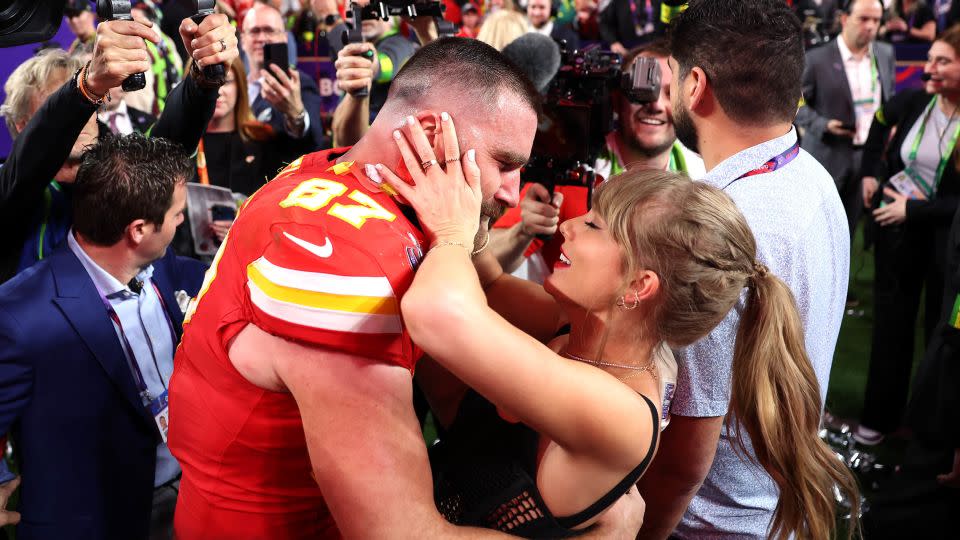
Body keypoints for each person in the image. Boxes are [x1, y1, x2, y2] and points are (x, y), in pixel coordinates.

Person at [167, 37, 643, 539]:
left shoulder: (325, 171)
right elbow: (399, 533)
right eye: (504, 163)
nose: (511, 188)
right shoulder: (343, 261)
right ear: (434, 135)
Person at [373, 117, 861, 539]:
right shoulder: (584, 326)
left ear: (637, 285)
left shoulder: (624, 414)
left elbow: (440, 313)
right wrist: (470, 199)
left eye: (593, 226)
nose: (567, 226)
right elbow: (493, 285)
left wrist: (453, 233)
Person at [632, 1, 852, 538]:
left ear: (695, 85)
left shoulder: (710, 227)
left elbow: (687, 454)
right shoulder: (814, 176)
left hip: (711, 523)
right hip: (777, 509)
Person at [0, 134, 207, 540]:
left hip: (186, 496)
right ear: (139, 230)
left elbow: (210, 276)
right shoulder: (18, 315)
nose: (183, 221)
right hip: (92, 521)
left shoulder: (165, 268)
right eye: (178, 214)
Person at [0, 13, 238, 284]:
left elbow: (168, 146)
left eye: (89, 105)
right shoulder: (9, 186)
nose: (79, 119)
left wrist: (202, 78)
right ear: (23, 125)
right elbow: (27, 166)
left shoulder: (113, 169)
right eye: (58, 105)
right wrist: (84, 88)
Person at [490, 41, 704, 283]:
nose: (654, 105)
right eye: (643, 90)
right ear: (616, 97)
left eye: (669, 93)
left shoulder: (702, 177)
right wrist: (523, 232)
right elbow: (484, 263)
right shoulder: (572, 166)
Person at [853, 25, 960, 446]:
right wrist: (868, 174)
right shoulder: (916, 100)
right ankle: (879, 418)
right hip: (896, 237)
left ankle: (930, 433)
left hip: (945, 245)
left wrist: (913, 209)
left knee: (940, 334)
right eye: (929, 58)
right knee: (891, 330)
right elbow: (880, 122)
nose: (927, 68)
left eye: (941, 61)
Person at [797, 0, 894, 238]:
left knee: (847, 233)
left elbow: (885, 100)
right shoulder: (815, 58)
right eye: (864, 19)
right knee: (816, 232)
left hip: (867, 157)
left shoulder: (885, 53)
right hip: (827, 154)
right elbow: (794, 104)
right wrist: (823, 125)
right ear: (843, 19)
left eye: (876, 20)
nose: (871, 26)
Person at [241, 3, 326, 150]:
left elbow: (315, 140)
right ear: (243, 40)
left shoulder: (300, 83)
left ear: (285, 38)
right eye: (254, 31)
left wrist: (296, 115)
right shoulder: (231, 84)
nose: (261, 38)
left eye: (269, 30)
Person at [330, 17, 421, 146]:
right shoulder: (354, 50)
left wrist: (371, 65)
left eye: (373, 11)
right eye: (361, 12)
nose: (366, 17)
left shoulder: (401, 43)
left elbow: (387, 64)